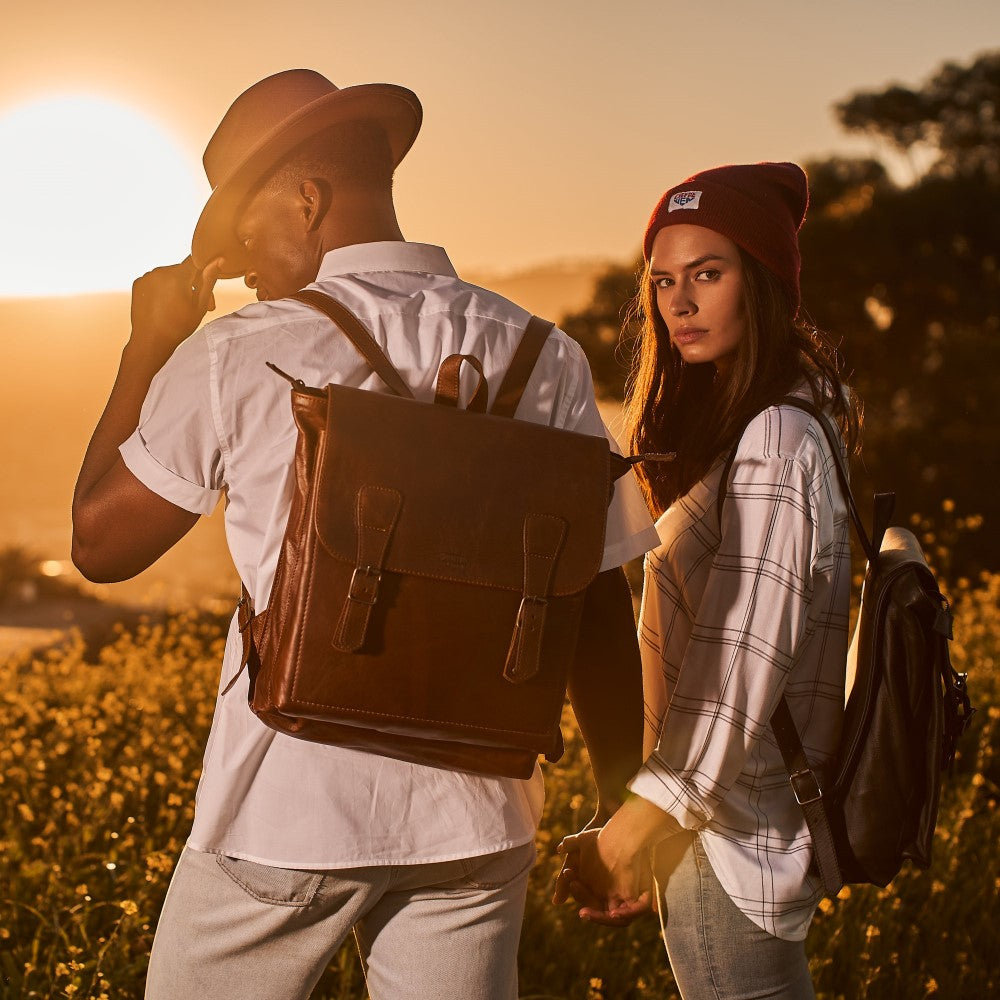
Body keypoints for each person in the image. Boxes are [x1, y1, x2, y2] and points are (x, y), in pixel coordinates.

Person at [71, 69, 659, 1000]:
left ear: (306, 199)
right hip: (478, 822)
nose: (246, 265)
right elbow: (591, 596)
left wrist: (148, 345)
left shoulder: (233, 350)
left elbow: (100, 547)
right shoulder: (547, 353)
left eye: (247, 232)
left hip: (286, 811)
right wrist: (622, 801)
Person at [556, 162, 862, 1000]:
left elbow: (738, 664)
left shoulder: (777, 439)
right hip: (713, 837)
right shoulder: (756, 428)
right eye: (662, 280)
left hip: (733, 849)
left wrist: (629, 834)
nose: (678, 302)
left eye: (708, 274)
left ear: (761, 284)